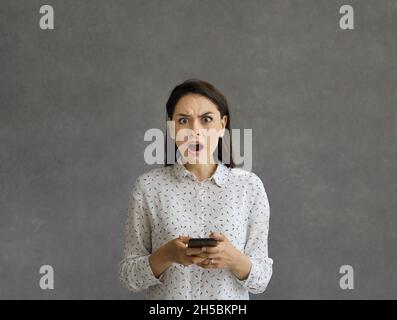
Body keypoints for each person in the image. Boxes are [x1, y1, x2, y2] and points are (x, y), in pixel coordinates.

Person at [119, 79, 273, 299]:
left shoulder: (249, 187)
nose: (194, 131)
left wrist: (234, 259)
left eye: (206, 119)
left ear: (222, 125)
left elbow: (262, 280)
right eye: (183, 120)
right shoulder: (148, 188)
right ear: (172, 127)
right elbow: (129, 278)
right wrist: (166, 255)